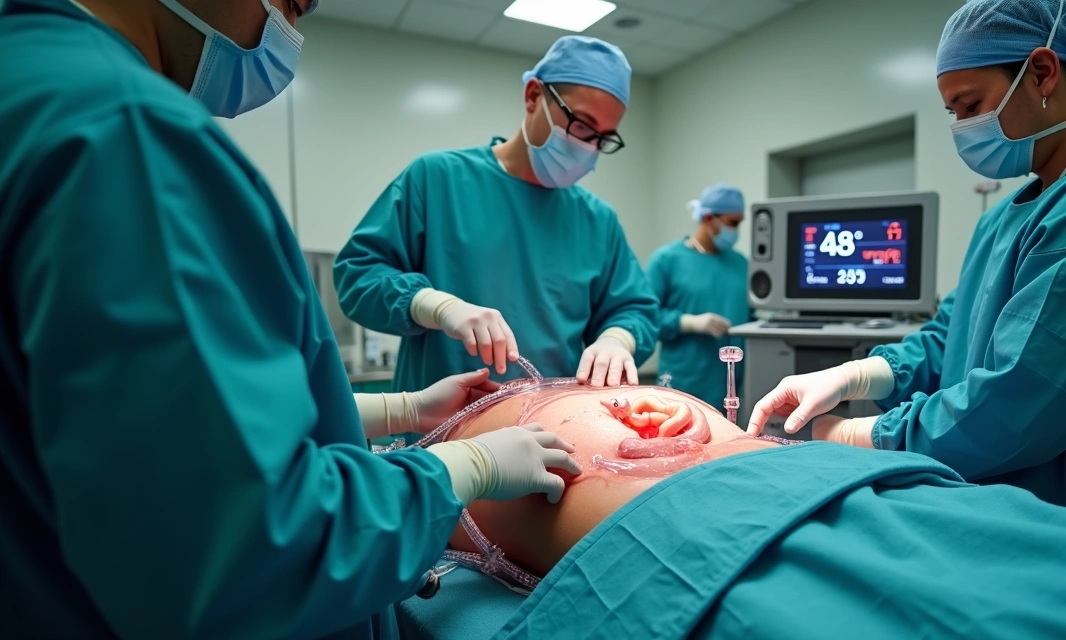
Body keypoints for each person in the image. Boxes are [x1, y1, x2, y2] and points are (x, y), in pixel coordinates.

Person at [0, 0, 580, 637]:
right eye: (292, 3)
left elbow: (151, 426)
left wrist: (405, 410)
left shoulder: (31, 80)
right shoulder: (125, 134)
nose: (288, 33)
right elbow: (250, 540)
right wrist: (462, 470)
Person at [748, 0, 1066, 534]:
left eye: (970, 105)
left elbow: (1021, 398)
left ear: (1042, 71)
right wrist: (852, 377)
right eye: (952, 112)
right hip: (999, 509)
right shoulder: (1006, 219)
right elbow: (949, 340)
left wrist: (862, 436)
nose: (962, 127)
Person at [408, 380, 1066, 640]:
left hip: (846, 487)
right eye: (576, 393)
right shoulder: (425, 486)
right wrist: (428, 437)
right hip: (686, 543)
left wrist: (869, 399)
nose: (634, 402)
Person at [334, 36, 658, 394]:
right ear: (534, 96)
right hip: (444, 434)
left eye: (603, 139)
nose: (589, 147)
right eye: (581, 125)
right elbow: (359, 275)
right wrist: (436, 306)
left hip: (551, 431)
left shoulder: (597, 220)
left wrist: (617, 339)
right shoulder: (438, 179)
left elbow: (635, 308)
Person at [647, 183, 751, 411]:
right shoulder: (667, 260)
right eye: (733, 222)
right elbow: (645, 318)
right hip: (683, 381)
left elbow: (752, 317)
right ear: (708, 218)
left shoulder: (741, 264)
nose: (737, 230)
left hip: (729, 385)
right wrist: (688, 322)